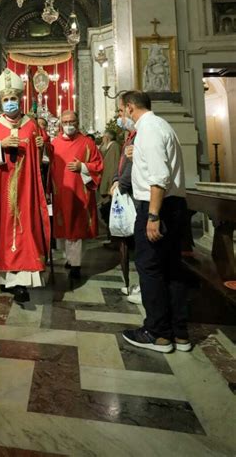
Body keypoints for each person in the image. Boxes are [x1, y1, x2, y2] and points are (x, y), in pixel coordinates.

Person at [119, 91, 191, 354]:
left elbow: (159, 177)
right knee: (172, 267)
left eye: (121, 111)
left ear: (129, 107)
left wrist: (152, 216)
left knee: (150, 267)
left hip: (157, 206)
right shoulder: (161, 125)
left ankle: (157, 333)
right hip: (173, 205)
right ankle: (179, 333)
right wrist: (134, 154)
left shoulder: (147, 130)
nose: (122, 116)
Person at [0, 68, 50, 304]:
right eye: (5, 100)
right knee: (2, 232)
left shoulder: (32, 125)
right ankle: (5, 279)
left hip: (26, 191)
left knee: (24, 232)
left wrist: (42, 145)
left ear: (20, 99)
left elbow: (45, 155)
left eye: (13, 99)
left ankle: (20, 283)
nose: (9, 103)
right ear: (0, 101)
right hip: (0, 191)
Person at [49, 110, 103, 280]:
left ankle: (76, 264)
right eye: (65, 122)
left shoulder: (87, 143)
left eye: (72, 121)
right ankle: (69, 258)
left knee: (76, 228)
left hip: (80, 193)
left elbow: (98, 165)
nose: (69, 125)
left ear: (77, 122)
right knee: (64, 226)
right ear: (60, 124)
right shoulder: (55, 143)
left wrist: (83, 167)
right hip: (61, 192)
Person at [112, 113, 140, 303]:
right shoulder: (129, 137)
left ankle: (142, 286)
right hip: (125, 189)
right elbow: (122, 164)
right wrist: (116, 179)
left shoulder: (140, 134)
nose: (120, 117)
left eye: (122, 112)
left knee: (142, 246)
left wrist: (121, 184)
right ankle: (135, 283)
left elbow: (131, 166)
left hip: (135, 194)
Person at [99, 130, 121, 247]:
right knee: (106, 212)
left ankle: (114, 240)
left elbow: (113, 168)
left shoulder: (114, 147)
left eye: (103, 137)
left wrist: (111, 186)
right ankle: (111, 238)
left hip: (110, 187)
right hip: (106, 186)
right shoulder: (108, 147)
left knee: (110, 213)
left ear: (107, 138)